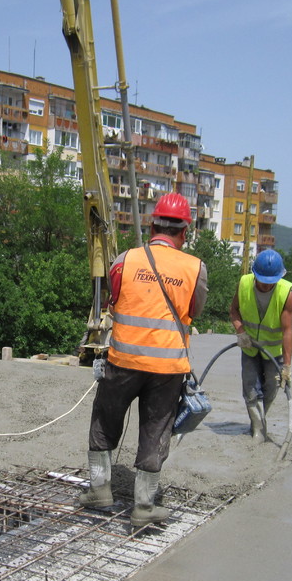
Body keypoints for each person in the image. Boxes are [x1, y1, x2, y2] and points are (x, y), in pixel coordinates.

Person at [80, 192, 208, 527]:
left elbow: (114, 300)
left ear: (152, 226)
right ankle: (143, 506)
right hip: (168, 368)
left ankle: (99, 491)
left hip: (123, 360)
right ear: (185, 231)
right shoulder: (195, 268)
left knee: (104, 422)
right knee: (155, 430)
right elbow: (193, 311)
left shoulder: (125, 259)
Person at [229, 248, 292, 443]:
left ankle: (259, 421)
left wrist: (287, 366)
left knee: (271, 388)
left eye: (270, 283)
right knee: (250, 388)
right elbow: (234, 311)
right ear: (254, 274)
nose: (266, 286)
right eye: (262, 282)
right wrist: (240, 332)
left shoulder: (286, 293)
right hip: (250, 347)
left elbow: (287, 331)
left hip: (273, 352)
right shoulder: (244, 284)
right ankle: (258, 429)